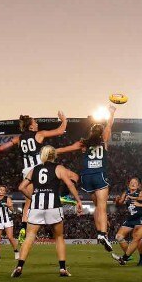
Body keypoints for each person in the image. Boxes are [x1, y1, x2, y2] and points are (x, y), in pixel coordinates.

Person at [56, 105, 120, 261]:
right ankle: (103, 234)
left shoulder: (83, 144)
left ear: (90, 132)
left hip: (86, 177)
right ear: (101, 132)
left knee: (96, 206)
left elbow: (66, 149)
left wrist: (53, 151)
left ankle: (99, 232)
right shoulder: (104, 140)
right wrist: (111, 113)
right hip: (99, 175)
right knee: (102, 207)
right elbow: (109, 125)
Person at [12, 146, 83, 277]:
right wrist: (78, 200)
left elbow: (21, 187)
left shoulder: (34, 170)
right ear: (54, 155)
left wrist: (32, 197)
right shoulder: (59, 168)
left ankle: (19, 266)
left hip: (37, 207)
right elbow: (70, 184)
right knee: (59, 237)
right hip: (53, 206)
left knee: (29, 237)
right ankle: (62, 269)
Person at [0, 111, 67, 223]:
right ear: (30, 126)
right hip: (39, 170)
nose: (37, 124)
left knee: (29, 201)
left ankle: (24, 225)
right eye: (35, 122)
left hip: (27, 171)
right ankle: (57, 201)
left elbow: (4, 147)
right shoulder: (39, 134)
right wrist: (64, 120)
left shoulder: (19, 138)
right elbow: (59, 131)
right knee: (53, 185)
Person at [113, 177, 142, 266]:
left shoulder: (141, 192)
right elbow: (119, 204)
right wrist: (117, 200)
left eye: (135, 182)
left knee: (136, 236)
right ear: (128, 184)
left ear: (138, 185)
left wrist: (131, 197)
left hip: (140, 217)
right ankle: (127, 255)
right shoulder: (125, 193)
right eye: (131, 182)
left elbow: (141, 199)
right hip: (131, 218)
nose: (133, 183)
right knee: (119, 237)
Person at [0, 185, 20, 260]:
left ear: (5, 192)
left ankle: (16, 252)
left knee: (10, 238)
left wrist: (9, 206)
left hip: (7, 220)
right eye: (0, 189)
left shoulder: (7, 199)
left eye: (3, 190)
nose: (1, 191)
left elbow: (13, 210)